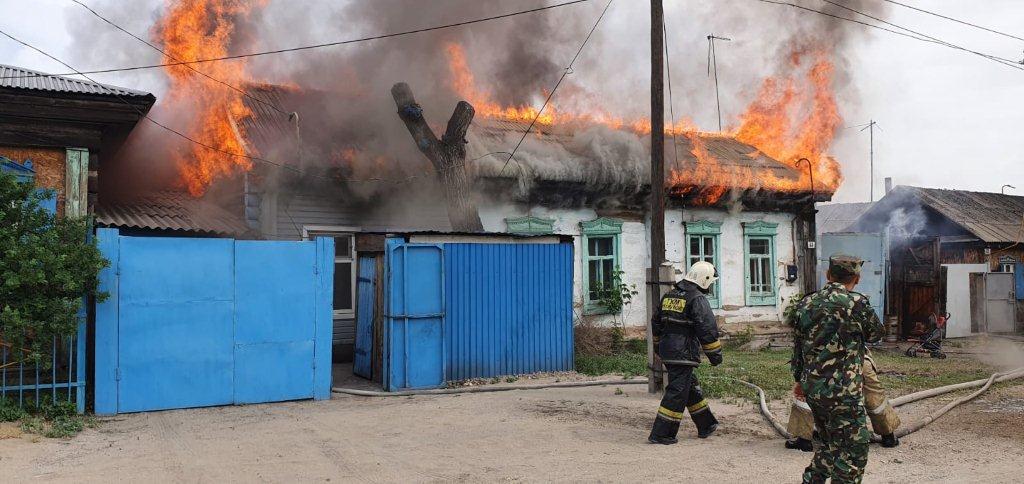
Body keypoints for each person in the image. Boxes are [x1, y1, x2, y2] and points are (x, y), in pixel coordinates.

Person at [789, 254, 885, 484]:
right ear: (857, 278)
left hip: (814, 388)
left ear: (828, 275)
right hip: (844, 392)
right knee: (854, 449)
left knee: (829, 442)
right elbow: (876, 335)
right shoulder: (857, 303)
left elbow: (799, 346)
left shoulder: (806, 302)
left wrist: (799, 379)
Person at [648, 261, 723, 445]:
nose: (710, 285)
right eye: (710, 281)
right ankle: (661, 433)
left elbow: (656, 322)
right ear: (704, 279)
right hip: (684, 353)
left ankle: (706, 424)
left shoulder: (670, 295)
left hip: (669, 350)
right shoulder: (697, 299)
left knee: (688, 386)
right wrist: (715, 355)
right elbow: (707, 329)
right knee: (678, 390)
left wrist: (658, 347)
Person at [784, 349, 902, 451]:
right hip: (858, 360)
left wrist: (799, 378)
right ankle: (888, 436)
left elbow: (800, 349)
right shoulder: (855, 321)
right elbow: (874, 333)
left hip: (822, 363)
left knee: (805, 392)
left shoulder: (807, 321)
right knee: (874, 395)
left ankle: (803, 439)